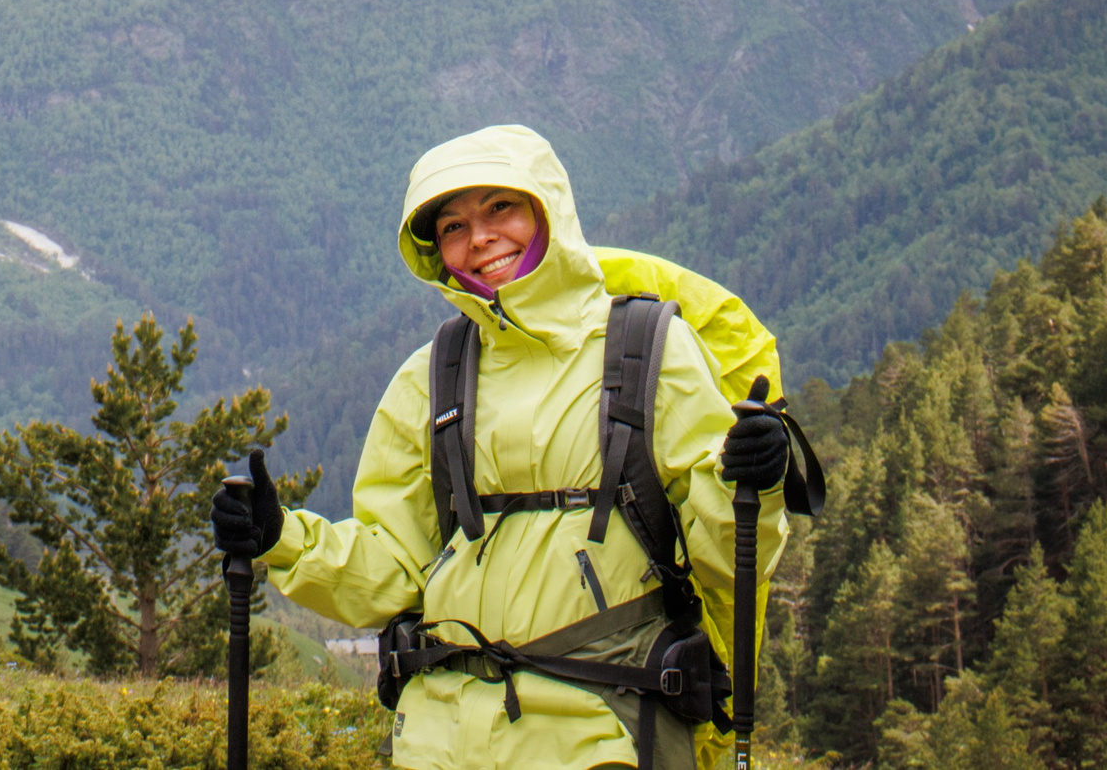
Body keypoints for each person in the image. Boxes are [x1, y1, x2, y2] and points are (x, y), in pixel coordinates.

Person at [211, 125, 789, 770]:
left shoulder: (651, 349)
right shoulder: (430, 376)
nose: (479, 237)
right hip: (439, 739)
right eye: (452, 226)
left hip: (604, 735)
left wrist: (753, 481)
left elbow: (730, 553)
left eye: (499, 208)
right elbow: (398, 567)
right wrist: (281, 537)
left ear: (549, 210)